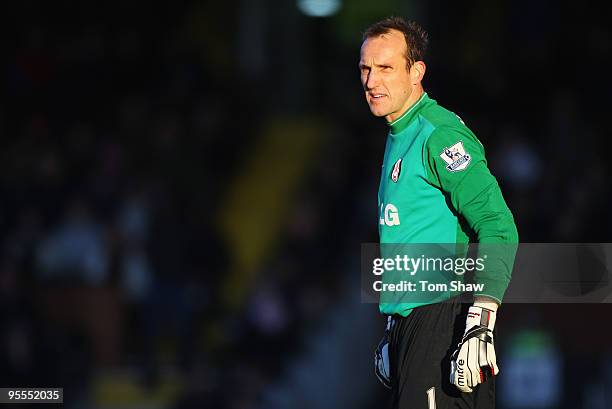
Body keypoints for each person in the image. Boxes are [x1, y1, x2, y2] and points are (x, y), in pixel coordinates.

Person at [359, 17, 519, 408]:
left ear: (416, 72)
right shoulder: (400, 133)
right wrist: (395, 324)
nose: (371, 81)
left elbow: (499, 225)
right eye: (365, 68)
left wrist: (480, 322)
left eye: (385, 68)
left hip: (444, 324)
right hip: (415, 328)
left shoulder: (439, 134)